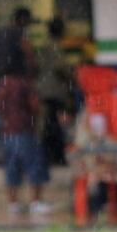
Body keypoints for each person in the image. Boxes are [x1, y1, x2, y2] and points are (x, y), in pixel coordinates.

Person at [0, 6, 50, 216]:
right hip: (25, 129)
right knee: (34, 166)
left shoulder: (3, 83)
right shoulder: (24, 83)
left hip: (7, 132)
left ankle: (13, 204)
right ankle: (36, 202)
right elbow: (34, 106)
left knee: (11, 169)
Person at [36, 16, 75, 165]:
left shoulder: (44, 46)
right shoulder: (55, 46)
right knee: (54, 125)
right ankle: (57, 157)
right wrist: (72, 77)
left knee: (48, 124)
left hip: (43, 90)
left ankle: (49, 156)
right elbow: (60, 68)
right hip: (54, 91)